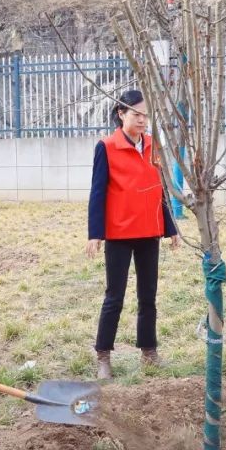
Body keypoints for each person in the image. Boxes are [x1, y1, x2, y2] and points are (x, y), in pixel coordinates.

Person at [86, 90, 181, 379]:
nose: (142, 120)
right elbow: (98, 191)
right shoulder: (107, 147)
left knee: (148, 296)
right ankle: (103, 356)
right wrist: (95, 232)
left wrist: (171, 227)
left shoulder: (153, 147)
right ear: (121, 114)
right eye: (136, 114)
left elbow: (160, 189)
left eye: (145, 115)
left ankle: (149, 352)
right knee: (114, 296)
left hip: (148, 231)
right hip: (119, 232)